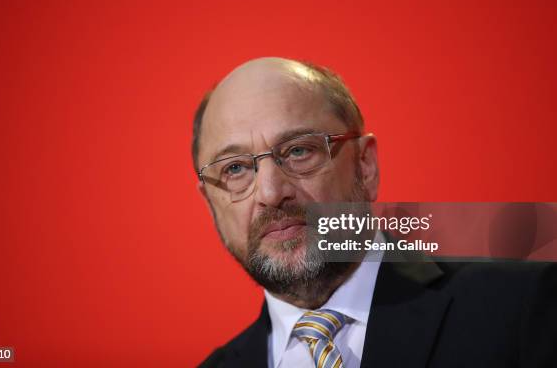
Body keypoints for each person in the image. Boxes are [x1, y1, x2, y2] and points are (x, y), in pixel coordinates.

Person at [192, 57, 556, 368]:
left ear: (365, 166)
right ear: (211, 202)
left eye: (299, 151)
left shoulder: (522, 308)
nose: (271, 193)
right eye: (235, 169)